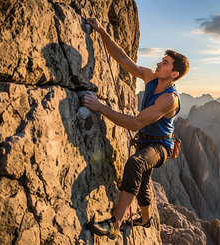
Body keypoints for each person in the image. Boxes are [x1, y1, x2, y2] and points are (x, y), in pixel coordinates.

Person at [81, 17, 189, 239]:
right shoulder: (151, 77)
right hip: (146, 139)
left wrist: (100, 107)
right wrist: (102, 32)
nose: (159, 64)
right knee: (143, 180)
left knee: (136, 163)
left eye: (165, 63)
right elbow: (122, 58)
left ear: (174, 74)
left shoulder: (169, 99)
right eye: (162, 60)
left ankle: (115, 222)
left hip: (161, 145)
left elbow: (136, 123)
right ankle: (147, 219)